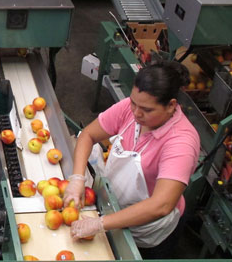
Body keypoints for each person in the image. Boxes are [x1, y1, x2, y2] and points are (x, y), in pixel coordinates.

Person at [64, 61, 200, 259]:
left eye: (146, 109)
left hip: (148, 230)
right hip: (113, 206)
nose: (136, 113)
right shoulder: (131, 110)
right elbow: (87, 135)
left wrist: (100, 224)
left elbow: (161, 205)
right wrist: (77, 178)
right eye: (133, 103)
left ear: (171, 106)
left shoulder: (181, 143)